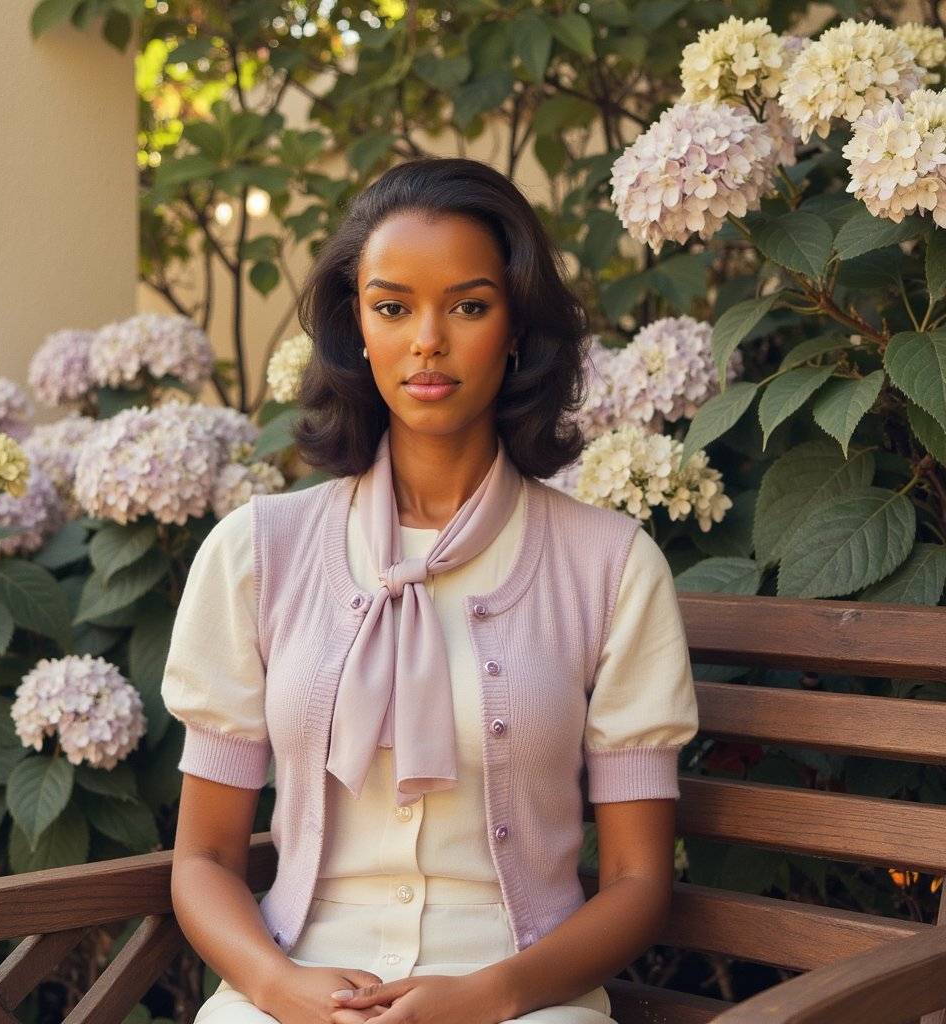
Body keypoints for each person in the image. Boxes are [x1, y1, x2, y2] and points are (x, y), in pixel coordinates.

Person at [162, 157, 698, 1024]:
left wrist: (496, 994)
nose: (428, 340)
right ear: (356, 328)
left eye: (469, 306)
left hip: (525, 990)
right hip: (295, 980)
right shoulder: (256, 555)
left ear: (516, 326)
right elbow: (205, 857)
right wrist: (274, 987)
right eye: (393, 306)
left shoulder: (612, 567)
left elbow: (639, 881)